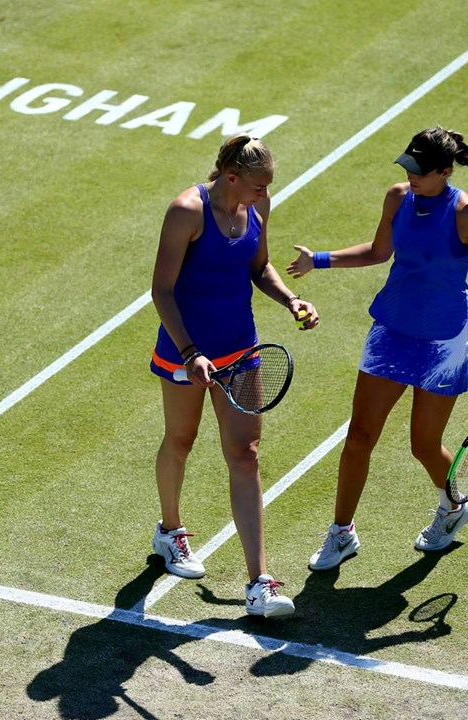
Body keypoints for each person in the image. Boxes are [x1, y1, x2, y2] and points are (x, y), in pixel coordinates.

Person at [286, 126, 468, 571]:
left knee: (424, 445)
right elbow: (380, 251)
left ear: (445, 171)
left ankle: (453, 507)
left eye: (421, 171)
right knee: (359, 437)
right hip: (392, 333)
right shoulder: (398, 198)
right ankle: (341, 533)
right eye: (408, 168)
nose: (412, 177)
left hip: (443, 343)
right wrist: (318, 259)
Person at [150, 134, 317, 617]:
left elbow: (259, 268)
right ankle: (170, 532)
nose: (265, 195)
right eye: (259, 186)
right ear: (231, 177)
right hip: (187, 354)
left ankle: (258, 583)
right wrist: (189, 351)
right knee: (179, 441)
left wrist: (290, 301)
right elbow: (161, 290)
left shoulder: (257, 211)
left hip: (242, 352)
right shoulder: (186, 211)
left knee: (244, 455)